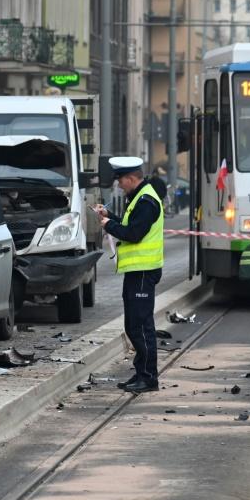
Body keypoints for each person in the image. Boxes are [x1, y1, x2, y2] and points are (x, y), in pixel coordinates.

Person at [94, 156, 164, 394]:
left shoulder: (146, 201)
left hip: (144, 272)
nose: (119, 185)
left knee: (141, 326)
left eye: (121, 181)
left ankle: (148, 377)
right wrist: (111, 216)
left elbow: (133, 233)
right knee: (134, 324)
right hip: (136, 272)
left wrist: (108, 225)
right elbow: (129, 224)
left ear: (132, 178)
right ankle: (142, 372)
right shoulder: (139, 198)